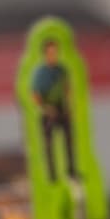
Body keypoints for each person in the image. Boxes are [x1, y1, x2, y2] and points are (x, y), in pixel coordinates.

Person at [31, 40, 77, 183]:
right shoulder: (40, 73)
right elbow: (35, 94)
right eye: (50, 53)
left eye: (55, 52)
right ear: (45, 54)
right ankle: (52, 176)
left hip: (62, 108)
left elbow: (67, 88)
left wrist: (69, 106)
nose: (53, 55)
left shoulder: (62, 70)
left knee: (69, 142)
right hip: (48, 111)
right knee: (49, 145)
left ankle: (71, 171)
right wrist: (45, 108)